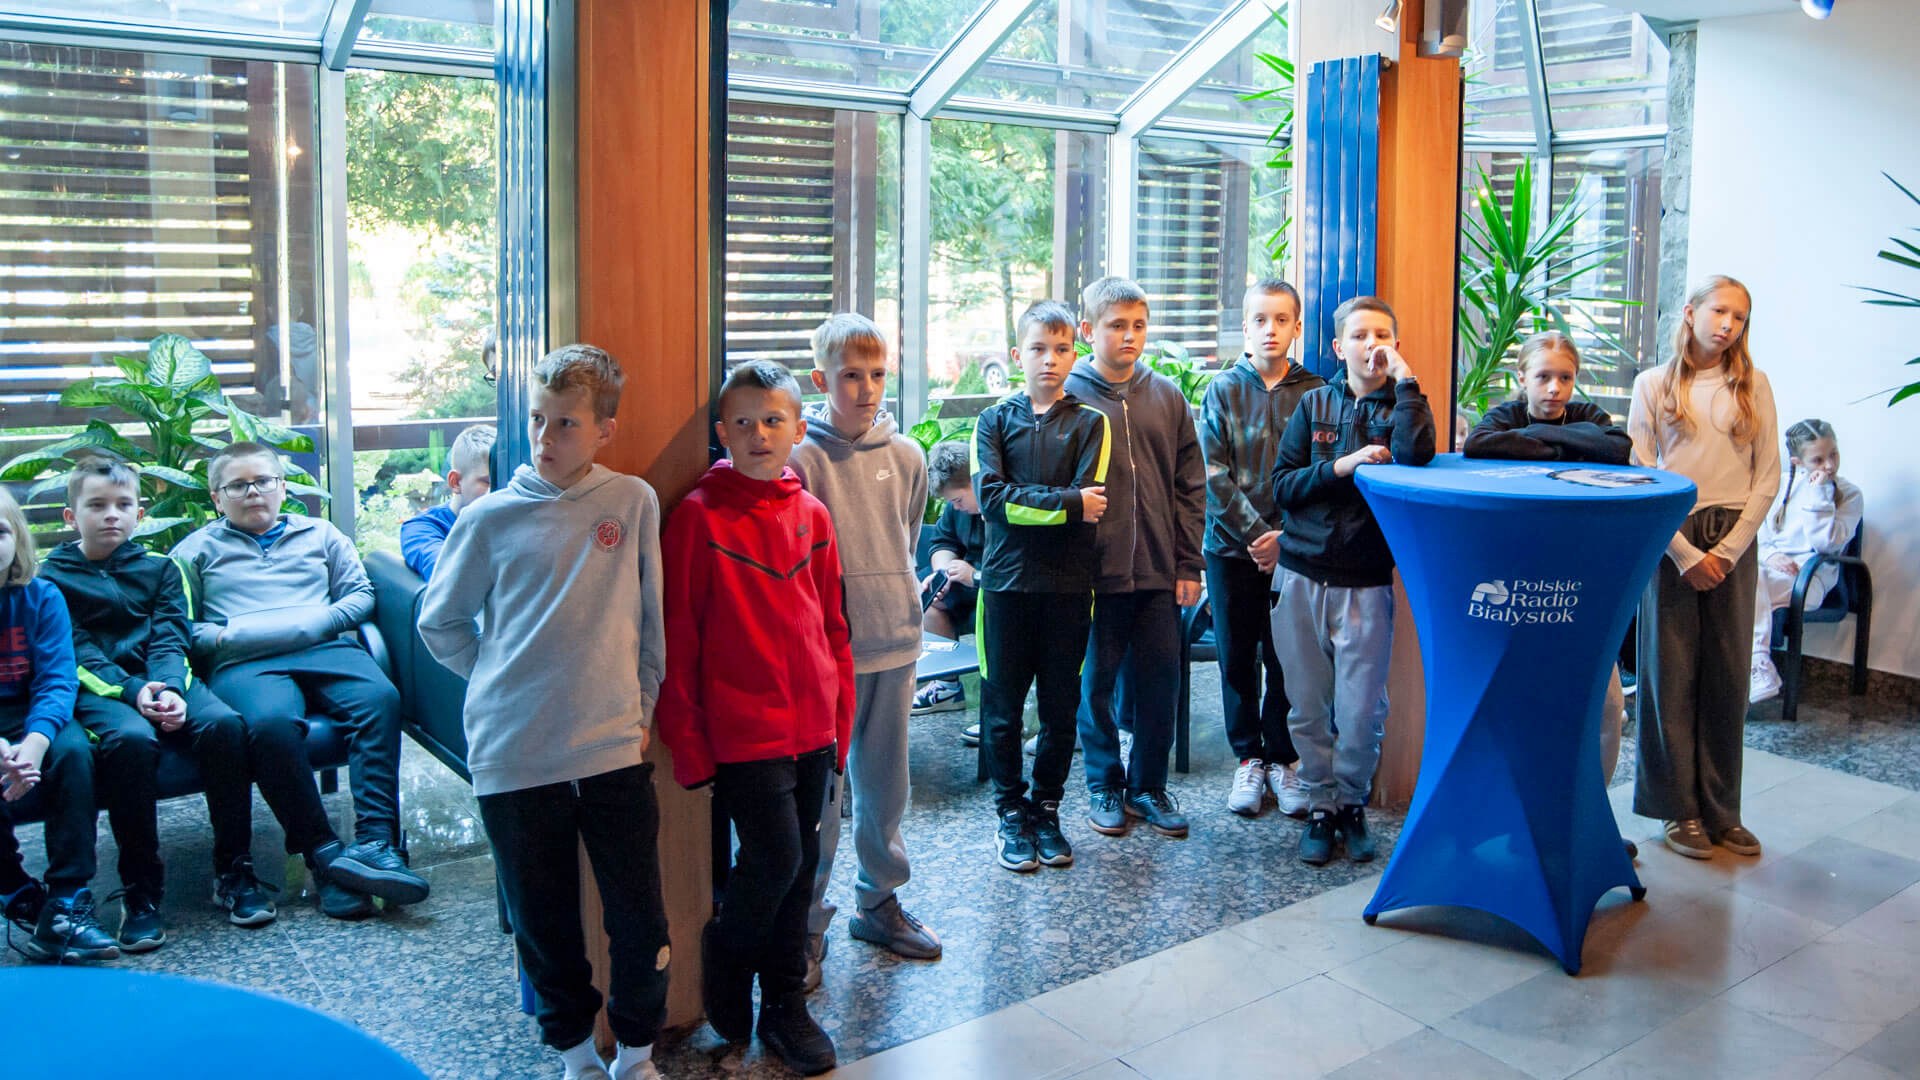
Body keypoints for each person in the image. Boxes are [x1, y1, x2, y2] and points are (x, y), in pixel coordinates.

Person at [419, 344, 669, 1080]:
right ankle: (574, 1056)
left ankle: (637, 1054)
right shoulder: (487, 519)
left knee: (640, 919)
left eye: (565, 423)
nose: (545, 437)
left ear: (604, 430)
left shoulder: (632, 501)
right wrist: (501, 676)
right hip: (515, 754)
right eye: (536, 419)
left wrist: (642, 704)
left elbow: (651, 623)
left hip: (612, 746)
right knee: (544, 924)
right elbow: (441, 623)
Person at [655, 360, 851, 1077]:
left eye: (773, 421)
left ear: (798, 429)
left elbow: (833, 626)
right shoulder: (698, 517)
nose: (759, 434)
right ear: (722, 433)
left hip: (814, 729)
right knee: (775, 859)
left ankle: (786, 1008)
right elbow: (677, 637)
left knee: (799, 874)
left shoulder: (813, 515)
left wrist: (841, 720)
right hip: (745, 733)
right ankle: (727, 953)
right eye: (743, 423)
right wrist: (689, 742)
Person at [45, 461, 300, 947]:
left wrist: (167, 689)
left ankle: (233, 870)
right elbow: (74, 653)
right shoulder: (51, 580)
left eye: (123, 505)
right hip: (100, 691)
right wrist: (131, 691)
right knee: (130, 740)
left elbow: (171, 637)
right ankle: (141, 889)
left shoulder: (162, 568)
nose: (111, 515)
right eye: (96, 505)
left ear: (139, 514)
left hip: (166, 679)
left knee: (224, 725)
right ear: (70, 516)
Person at [173, 442, 431, 917]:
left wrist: (318, 622)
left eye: (263, 481)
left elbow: (360, 595)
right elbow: (180, 626)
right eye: (238, 485)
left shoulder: (321, 533)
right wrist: (230, 636)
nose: (253, 492)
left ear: (282, 486)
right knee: (270, 726)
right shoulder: (195, 551)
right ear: (217, 497)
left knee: (380, 698)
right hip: (246, 662)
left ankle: (377, 845)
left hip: (325, 647)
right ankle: (325, 856)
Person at [792, 313, 942, 968]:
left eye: (877, 374)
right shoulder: (800, 459)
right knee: (822, 797)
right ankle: (806, 921)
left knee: (885, 786)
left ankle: (878, 902)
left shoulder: (908, 457)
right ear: (821, 380)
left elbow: (905, 540)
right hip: (826, 656)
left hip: (894, 643)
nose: (867, 388)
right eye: (851, 375)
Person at [1270, 296, 1436, 866]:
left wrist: (1408, 382)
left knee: (1362, 711)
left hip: (1366, 582)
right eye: (1360, 336)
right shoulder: (1314, 403)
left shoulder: (1404, 404)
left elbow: (1417, 457)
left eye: (1383, 336)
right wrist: (1342, 466)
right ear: (1340, 347)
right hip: (1301, 575)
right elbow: (1283, 485)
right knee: (1307, 706)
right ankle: (1320, 805)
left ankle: (1351, 803)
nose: (1373, 345)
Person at [1463, 332, 1638, 854]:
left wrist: (1542, 442)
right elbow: (1479, 444)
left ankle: (1588, 819)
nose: (1555, 389)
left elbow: (1618, 447)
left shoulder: (1587, 413)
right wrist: (1565, 445)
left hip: (1583, 583)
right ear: (1522, 379)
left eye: (1565, 377)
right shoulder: (1505, 416)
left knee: (1607, 709)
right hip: (1524, 585)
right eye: (1543, 377)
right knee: (1529, 708)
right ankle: (1528, 819)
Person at [1629, 275, 1779, 860]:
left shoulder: (1754, 385)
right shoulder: (1653, 384)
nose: (1729, 325)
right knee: (1670, 677)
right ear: (1690, 313)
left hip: (1733, 537)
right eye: (1720, 311)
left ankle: (1721, 811)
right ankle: (1678, 810)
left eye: (1739, 317)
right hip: (1671, 535)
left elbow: (1767, 476)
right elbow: (1642, 473)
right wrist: (1686, 555)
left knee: (1727, 677)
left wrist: (1728, 551)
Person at [1064, 276, 1206, 840]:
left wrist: (1188, 565)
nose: (1130, 336)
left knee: (1159, 684)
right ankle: (1104, 783)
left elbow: (1190, 487)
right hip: (1091, 577)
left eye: (1139, 325)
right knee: (1094, 686)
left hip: (1158, 572)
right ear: (1088, 330)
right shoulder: (1068, 396)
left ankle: (1148, 786)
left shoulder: (1167, 397)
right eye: (1117, 325)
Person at [973, 300, 1111, 872]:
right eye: (1037, 348)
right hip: (1004, 589)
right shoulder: (992, 421)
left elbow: (1093, 501)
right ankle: (1010, 812)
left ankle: (1047, 809)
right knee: (1003, 711)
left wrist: (1055, 505)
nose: (1049, 359)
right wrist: (1067, 504)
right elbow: (991, 502)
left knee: (1059, 710)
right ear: (1017, 355)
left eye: (1060, 349)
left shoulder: (1091, 423)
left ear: (1074, 355)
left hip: (1069, 590)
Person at [1200, 279, 1324, 819]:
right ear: (1245, 327)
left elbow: (1321, 476)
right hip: (1231, 550)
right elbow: (1211, 474)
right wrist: (1256, 536)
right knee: (1236, 657)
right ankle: (1248, 757)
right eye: (1259, 319)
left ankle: (1282, 759)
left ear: (1297, 327)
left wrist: (1285, 539)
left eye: (1281, 319)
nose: (1270, 329)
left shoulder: (1317, 392)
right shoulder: (1223, 389)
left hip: (1295, 550)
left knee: (1288, 658)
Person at [0, 487, 119, 963]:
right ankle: (13, 889)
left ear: (17, 538)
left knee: (72, 752)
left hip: (35, 711)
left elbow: (56, 679)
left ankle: (68, 899)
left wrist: (33, 744)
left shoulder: (41, 597)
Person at [1750, 420, 1862, 704]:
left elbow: (1827, 544)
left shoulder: (1850, 494)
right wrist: (1770, 555)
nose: (1829, 465)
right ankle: (1753, 667)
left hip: (1810, 580)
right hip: (1768, 573)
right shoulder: (1778, 486)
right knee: (1742, 577)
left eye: (1833, 454)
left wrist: (1819, 494)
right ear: (1797, 462)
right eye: (1818, 460)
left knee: (1742, 588)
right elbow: (1757, 533)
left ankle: (1756, 664)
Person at [913, 440, 984, 728]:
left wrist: (974, 575)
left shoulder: (1001, 506)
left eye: (958, 500)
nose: (956, 507)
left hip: (998, 587)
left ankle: (1000, 709)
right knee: (930, 596)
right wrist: (943, 572)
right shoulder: (957, 509)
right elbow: (943, 541)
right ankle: (947, 687)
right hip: (966, 579)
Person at [400, 423, 496, 581]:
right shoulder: (422, 529)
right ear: (455, 482)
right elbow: (447, 574)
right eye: (487, 482)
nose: (497, 492)